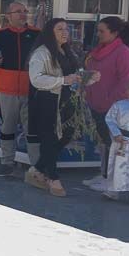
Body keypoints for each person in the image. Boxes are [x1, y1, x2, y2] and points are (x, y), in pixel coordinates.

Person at [26, 18, 96, 198]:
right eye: (59, 29)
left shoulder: (67, 51)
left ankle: (37, 169)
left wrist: (87, 78)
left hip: (67, 101)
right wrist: (63, 80)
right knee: (49, 138)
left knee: (67, 134)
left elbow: (74, 75)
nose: (65, 32)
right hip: (47, 100)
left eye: (66, 29)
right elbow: (36, 79)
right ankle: (53, 177)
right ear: (50, 32)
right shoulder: (41, 53)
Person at [0, 1, 41, 178]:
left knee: (32, 130)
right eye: (18, 12)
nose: (22, 14)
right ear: (8, 16)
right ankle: (6, 164)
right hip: (6, 89)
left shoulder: (37, 34)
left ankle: (37, 167)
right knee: (7, 128)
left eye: (24, 11)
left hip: (32, 90)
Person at [84, 16, 129, 185]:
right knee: (104, 143)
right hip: (96, 104)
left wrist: (110, 101)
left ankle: (114, 179)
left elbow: (126, 80)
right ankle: (105, 175)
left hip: (113, 108)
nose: (98, 34)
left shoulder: (122, 51)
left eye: (102, 31)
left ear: (114, 33)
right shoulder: (98, 50)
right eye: (97, 30)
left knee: (113, 144)